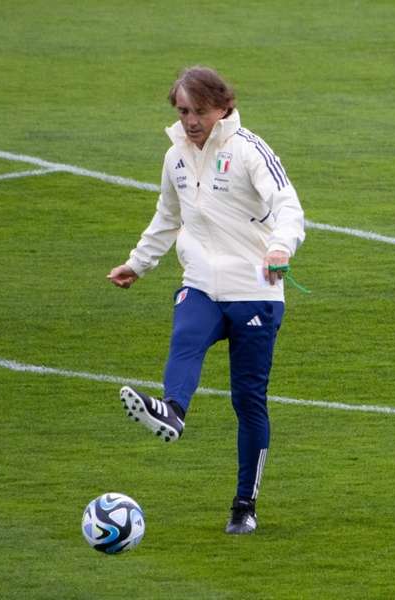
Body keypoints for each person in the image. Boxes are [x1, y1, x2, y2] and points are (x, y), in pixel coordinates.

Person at [107, 66, 305, 535]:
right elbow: (166, 216)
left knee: (248, 401)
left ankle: (244, 503)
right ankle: (172, 411)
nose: (191, 120)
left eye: (199, 110)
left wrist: (280, 248)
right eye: (183, 111)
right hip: (200, 282)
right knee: (186, 335)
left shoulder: (250, 150)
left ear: (222, 106)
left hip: (255, 290)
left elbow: (288, 206)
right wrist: (138, 264)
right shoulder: (174, 157)